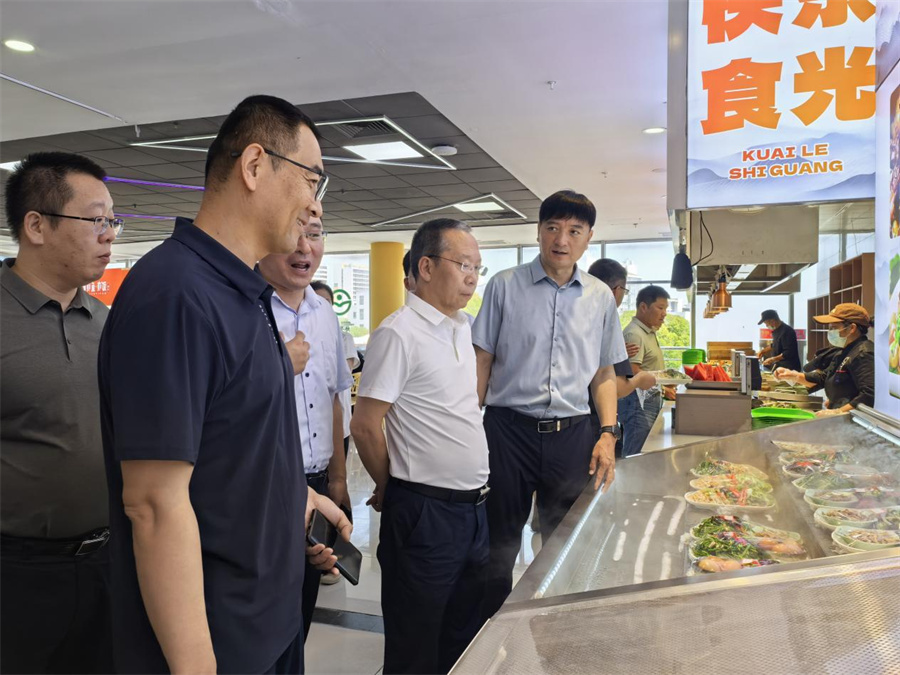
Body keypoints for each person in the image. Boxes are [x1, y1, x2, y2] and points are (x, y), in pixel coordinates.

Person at [98, 95, 350, 675]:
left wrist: (297, 496)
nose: (315, 203)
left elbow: (233, 445)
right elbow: (153, 504)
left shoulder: (245, 293)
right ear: (255, 166)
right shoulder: (175, 295)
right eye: (312, 178)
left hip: (270, 620)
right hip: (219, 639)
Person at [473, 190, 626, 620]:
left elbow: (604, 373)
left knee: (565, 540)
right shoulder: (504, 285)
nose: (562, 239)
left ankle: (558, 625)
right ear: (538, 231)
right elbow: (482, 360)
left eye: (574, 231)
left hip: (572, 435)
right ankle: (489, 628)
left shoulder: (599, 297)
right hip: (506, 432)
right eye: (553, 228)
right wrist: (468, 426)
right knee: (497, 542)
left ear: (588, 237)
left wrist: (608, 434)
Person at [352, 218, 490, 675]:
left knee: (462, 636)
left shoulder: (462, 327)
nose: (472, 277)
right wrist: (391, 486)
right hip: (425, 514)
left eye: (477, 267)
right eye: (463, 264)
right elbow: (365, 425)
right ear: (426, 267)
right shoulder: (399, 332)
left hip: (474, 510)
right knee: (415, 645)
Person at [1, 152, 120, 674]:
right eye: (95, 220)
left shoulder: (109, 323)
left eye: (113, 220)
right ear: (36, 226)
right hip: (18, 575)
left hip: (108, 563)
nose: (109, 234)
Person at [259, 217, 354, 630]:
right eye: (293, 234)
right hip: (265, 486)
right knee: (265, 615)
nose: (305, 247)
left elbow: (333, 398)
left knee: (302, 609)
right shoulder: (245, 311)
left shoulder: (325, 315)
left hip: (318, 483)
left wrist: (338, 479)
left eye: (314, 235)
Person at [586, 259, 658, 453]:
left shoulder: (575, 315)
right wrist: (641, 380)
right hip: (594, 422)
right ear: (616, 290)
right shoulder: (608, 321)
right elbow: (616, 387)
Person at [775, 303, 874, 416]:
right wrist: (793, 375)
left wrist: (839, 411)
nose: (831, 332)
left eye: (834, 328)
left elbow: (869, 395)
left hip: (852, 420)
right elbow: (824, 378)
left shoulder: (863, 353)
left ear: (852, 328)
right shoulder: (844, 351)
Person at [618, 284, 671, 457]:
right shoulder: (634, 334)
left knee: (645, 451)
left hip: (649, 399)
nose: (664, 313)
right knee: (635, 454)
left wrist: (664, 387)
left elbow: (648, 368)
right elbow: (633, 370)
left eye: (666, 309)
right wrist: (661, 382)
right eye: (660, 308)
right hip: (638, 403)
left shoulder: (649, 331)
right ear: (643, 307)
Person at [312, 279, 361, 464]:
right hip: (309, 424)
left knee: (337, 470)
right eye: (316, 300)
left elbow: (342, 372)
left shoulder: (344, 337)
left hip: (339, 420)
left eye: (326, 302)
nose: (321, 306)